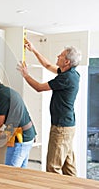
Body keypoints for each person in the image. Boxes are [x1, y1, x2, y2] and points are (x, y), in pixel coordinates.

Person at [17, 38, 81, 176]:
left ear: (67, 62)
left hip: (61, 128)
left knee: (53, 168)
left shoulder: (66, 78)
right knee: (68, 167)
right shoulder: (71, 74)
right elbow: (47, 65)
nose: (58, 56)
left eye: (61, 55)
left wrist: (25, 75)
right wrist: (33, 49)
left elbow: (39, 88)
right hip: (67, 127)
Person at [0, 71, 37, 168]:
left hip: (21, 137)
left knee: (10, 172)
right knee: (19, 171)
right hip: (26, 134)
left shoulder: (1, 95)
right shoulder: (5, 91)